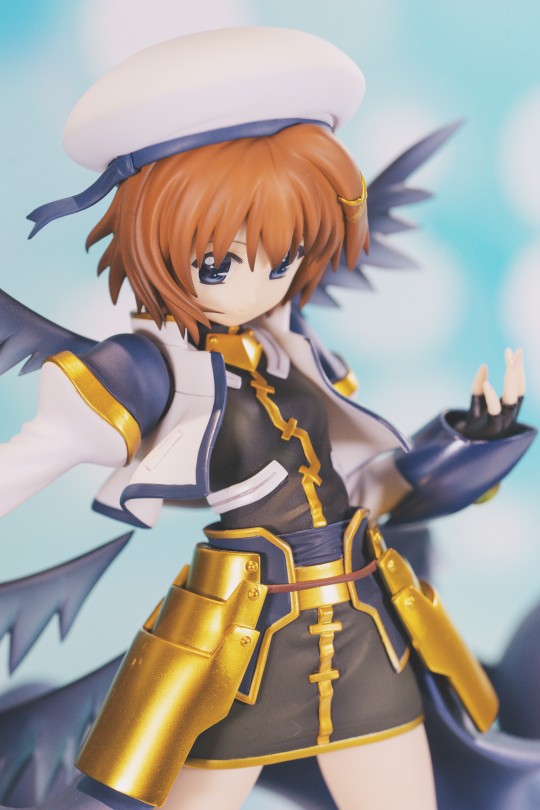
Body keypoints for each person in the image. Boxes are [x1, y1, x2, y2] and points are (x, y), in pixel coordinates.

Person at [0, 28, 535, 810]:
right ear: (158, 246)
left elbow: (366, 492)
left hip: (361, 627)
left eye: (281, 257)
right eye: (219, 263)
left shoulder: (295, 357)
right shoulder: (152, 371)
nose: (258, 285)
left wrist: (468, 443)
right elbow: (36, 453)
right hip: (246, 646)